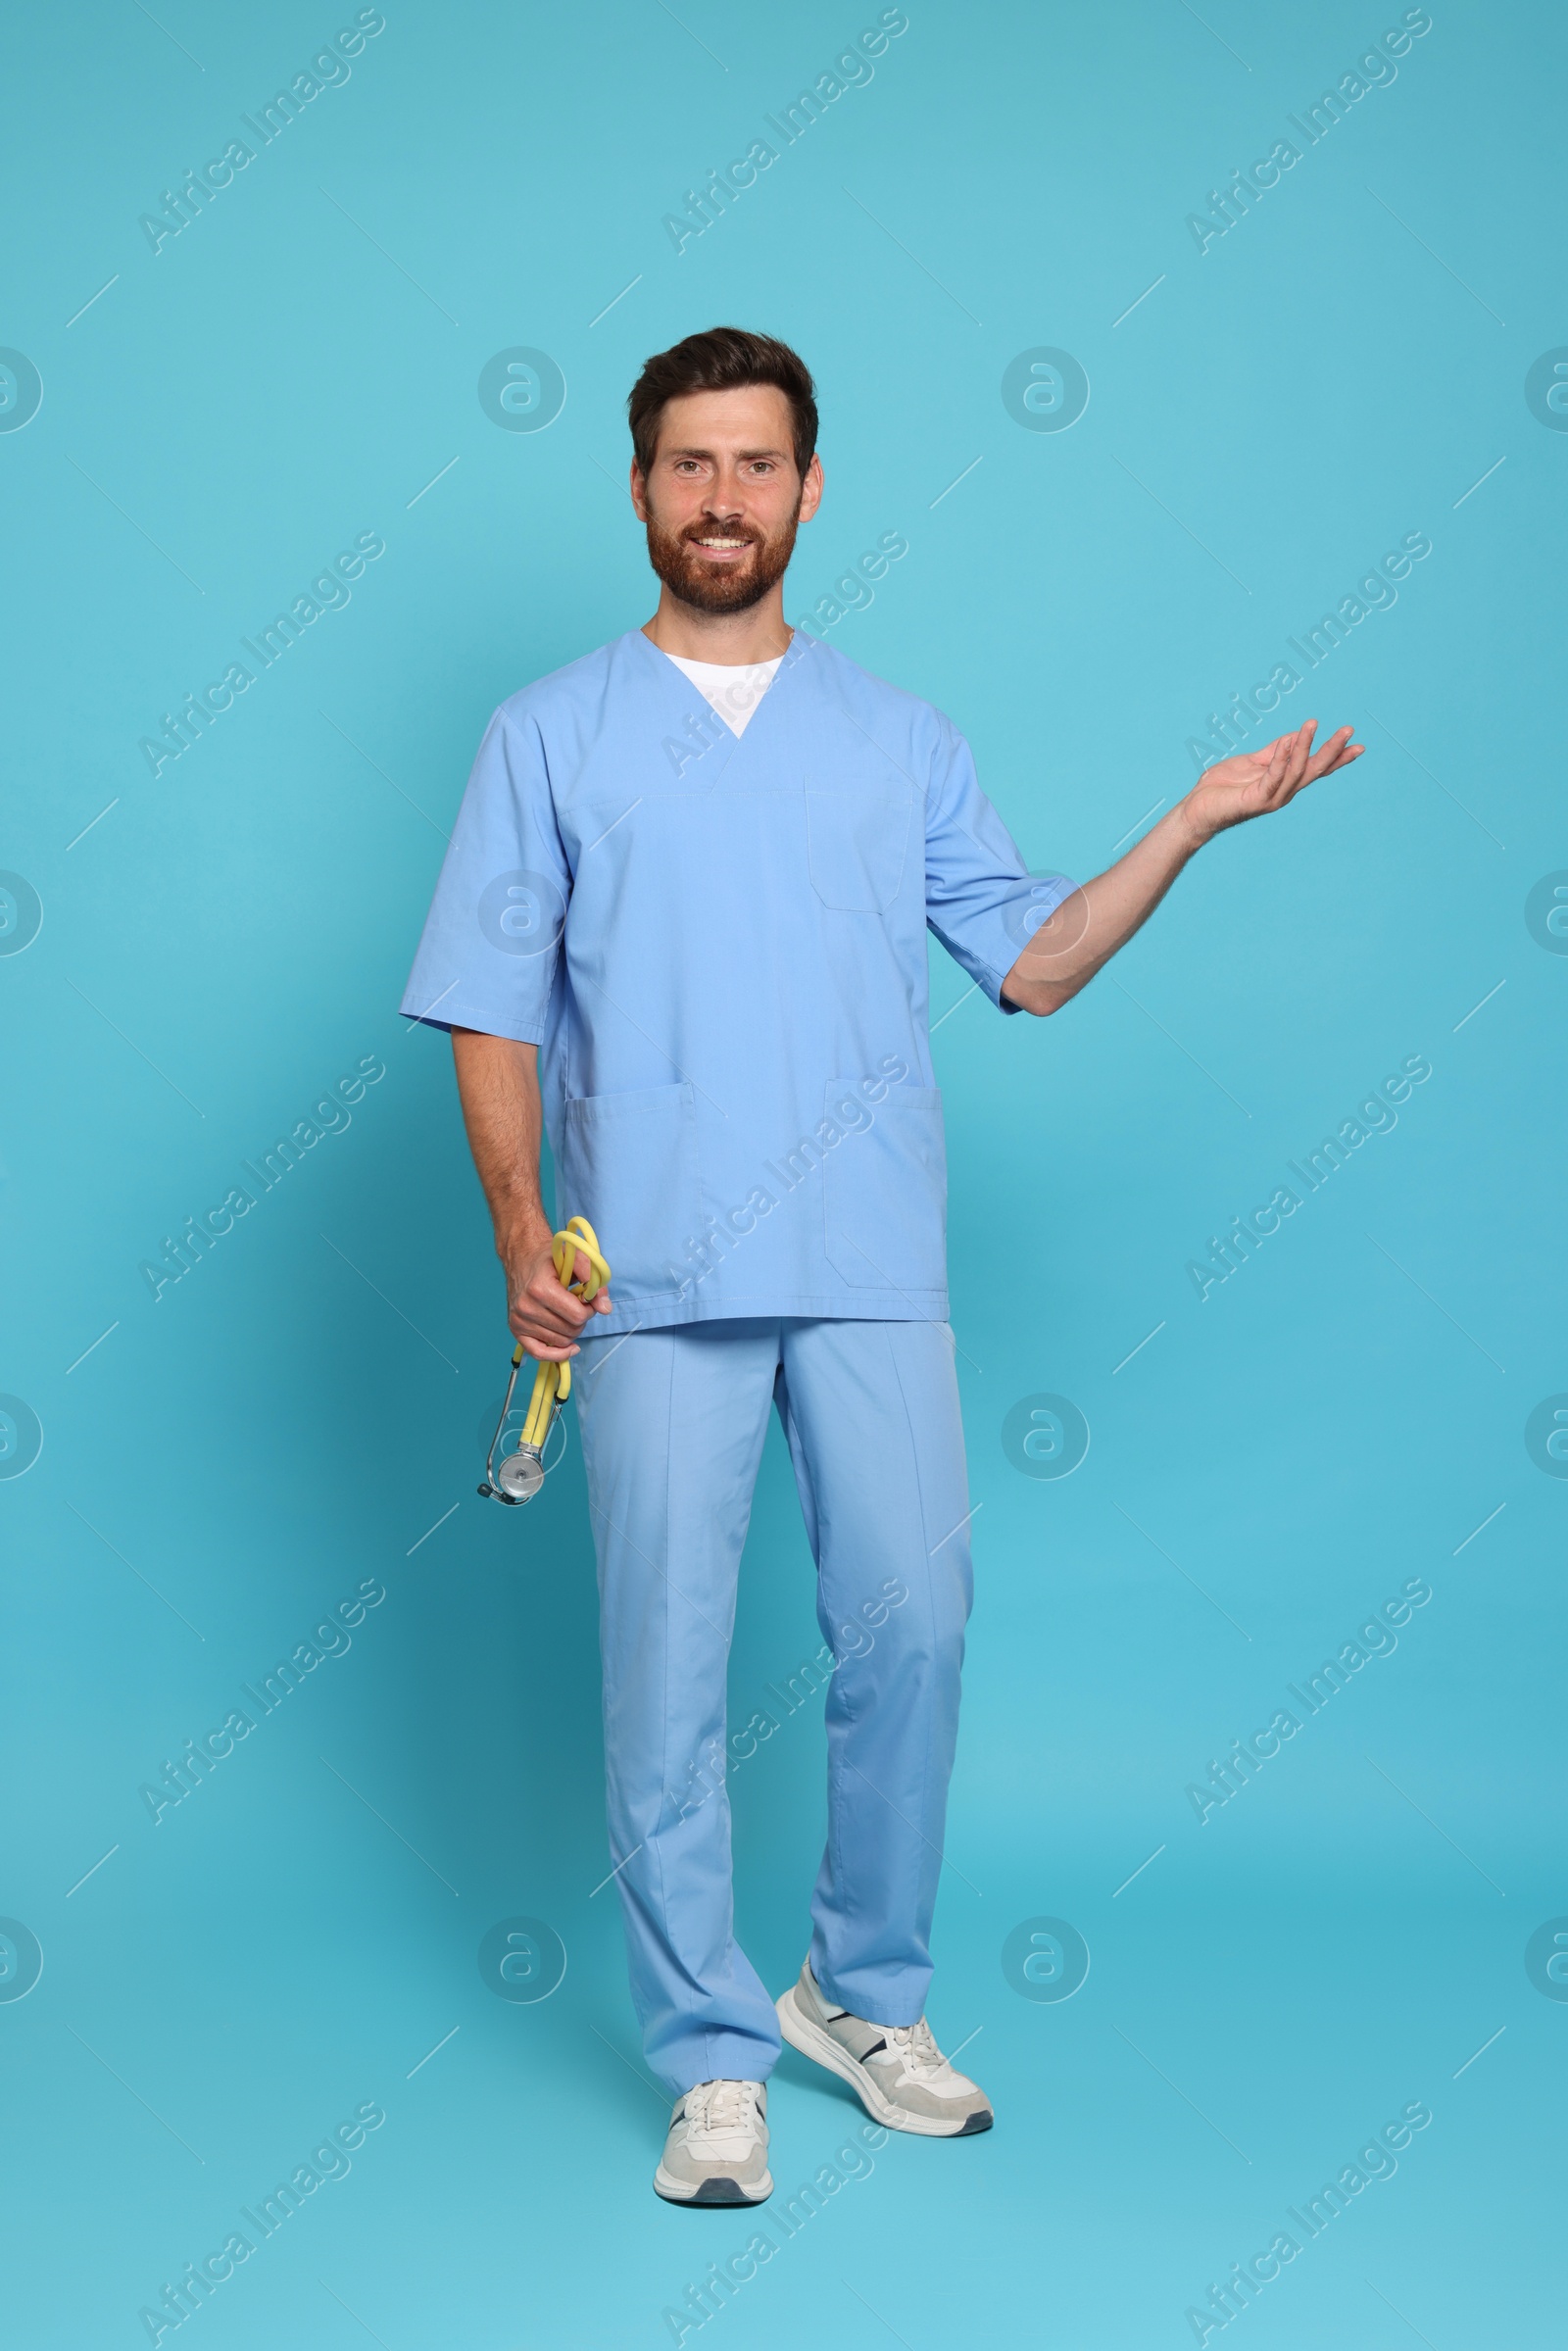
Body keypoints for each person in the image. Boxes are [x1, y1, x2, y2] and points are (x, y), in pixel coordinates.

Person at [401, 326, 1361, 2206]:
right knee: (663, 1679)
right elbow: (490, 1013)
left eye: (757, 465)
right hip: (652, 1277)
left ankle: (861, 1990)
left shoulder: (897, 737)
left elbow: (1037, 961)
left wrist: (1188, 822)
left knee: (912, 1632)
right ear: (638, 488)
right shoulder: (548, 734)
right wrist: (523, 1237)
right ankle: (708, 2056)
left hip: (866, 1265)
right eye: (688, 465)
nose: (723, 499)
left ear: (811, 487)